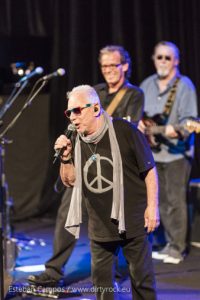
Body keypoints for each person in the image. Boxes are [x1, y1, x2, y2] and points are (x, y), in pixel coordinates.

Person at [28, 45, 144, 286]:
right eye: (104, 66)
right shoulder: (95, 91)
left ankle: (113, 270)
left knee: (113, 219)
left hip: (112, 167)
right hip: (83, 162)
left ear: (124, 65)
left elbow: (128, 126)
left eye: (113, 65)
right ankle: (53, 271)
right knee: (66, 214)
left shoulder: (133, 94)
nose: (108, 70)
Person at [54, 85, 159, 300]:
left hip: (133, 219)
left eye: (77, 110)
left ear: (95, 108)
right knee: (102, 287)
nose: (72, 117)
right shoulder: (75, 138)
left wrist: (153, 206)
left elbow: (149, 171)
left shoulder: (125, 131)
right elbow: (70, 181)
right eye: (69, 112)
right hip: (99, 223)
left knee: (141, 282)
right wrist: (65, 158)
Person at [139, 41, 198, 264]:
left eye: (168, 57)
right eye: (159, 57)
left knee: (175, 201)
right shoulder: (146, 84)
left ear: (176, 61)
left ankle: (177, 248)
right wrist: (142, 127)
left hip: (176, 154)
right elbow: (138, 116)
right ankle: (167, 243)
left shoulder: (184, 86)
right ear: (154, 59)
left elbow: (190, 122)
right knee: (160, 200)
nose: (163, 61)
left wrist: (168, 130)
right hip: (153, 153)